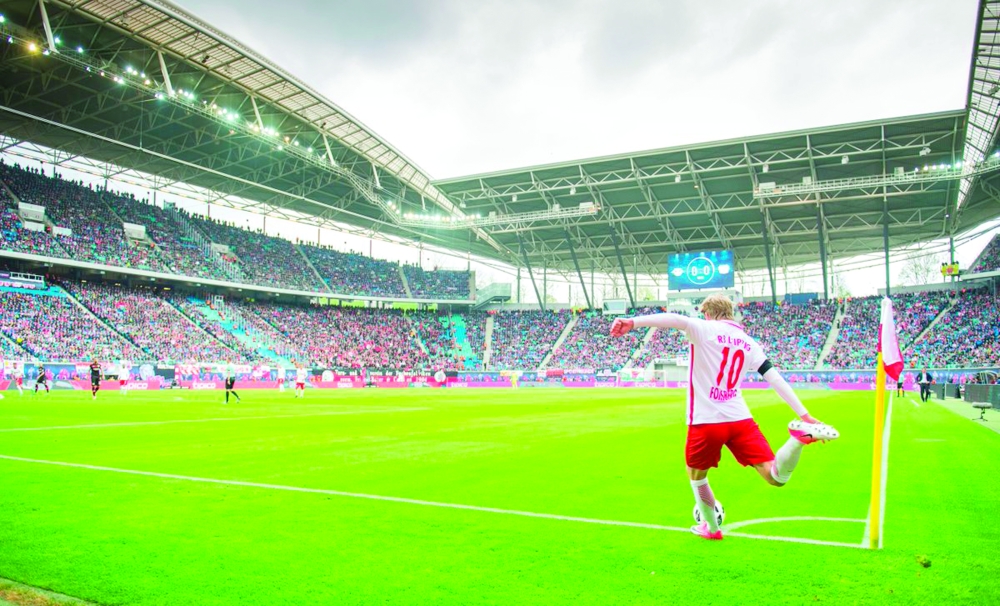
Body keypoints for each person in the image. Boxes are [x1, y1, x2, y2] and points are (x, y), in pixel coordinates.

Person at [610, 294, 839, 541]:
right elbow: (774, 378)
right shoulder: (749, 342)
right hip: (740, 419)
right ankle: (797, 440)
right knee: (774, 476)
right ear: (730, 313)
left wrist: (633, 322)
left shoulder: (704, 328)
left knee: (696, 475)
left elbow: (674, 319)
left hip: (706, 420)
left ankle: (711, 528)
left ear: (708, 313)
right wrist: (804, 414)